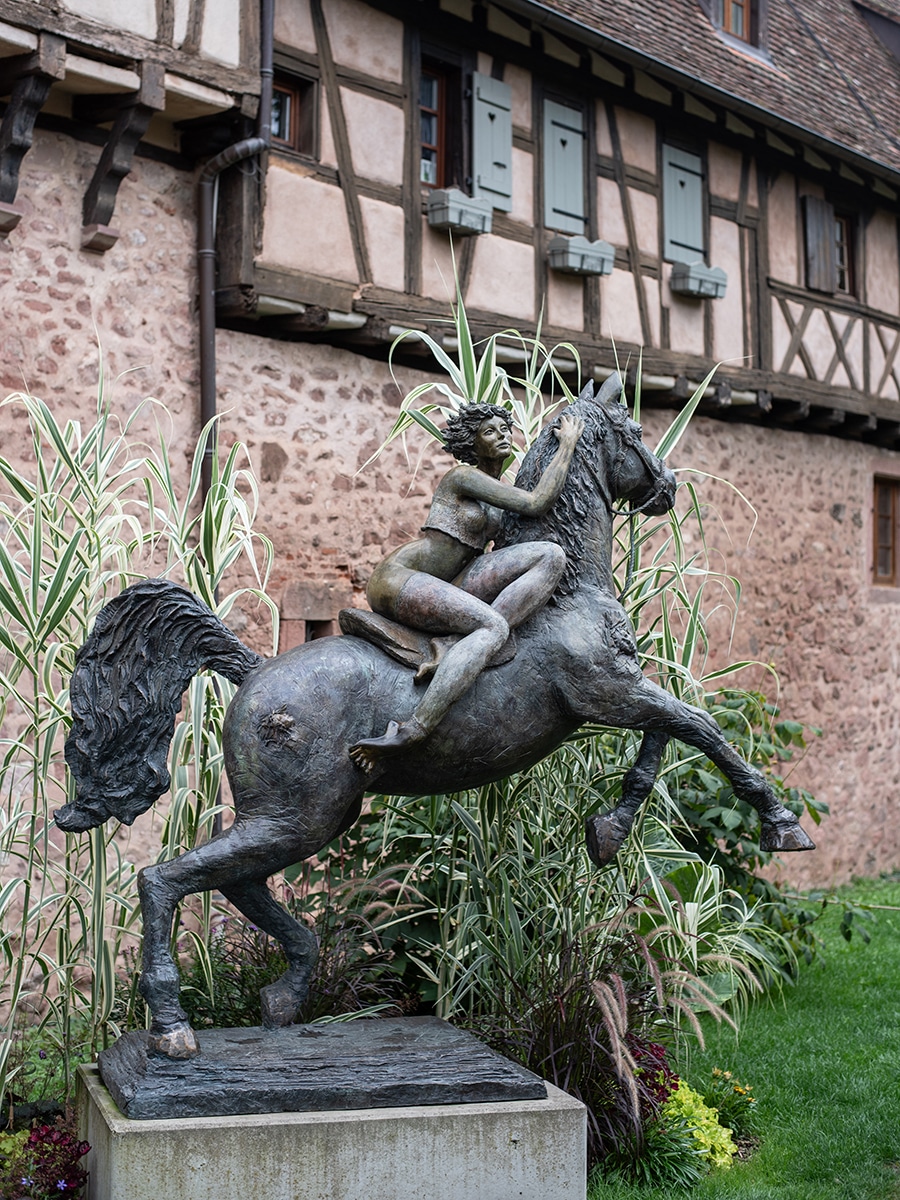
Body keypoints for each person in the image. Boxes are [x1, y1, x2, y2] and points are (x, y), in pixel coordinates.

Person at [349, 403, 584, 771]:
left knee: (551, 556)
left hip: (450, 580)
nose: (502, 435)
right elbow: (536, 502)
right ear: (473, 445)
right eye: (489, 432)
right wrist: (568, 445)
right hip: (399, 579)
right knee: (492, 626)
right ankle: (414, 728)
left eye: (505, 428)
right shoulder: (462, 477)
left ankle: (456, 645)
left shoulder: (495, 495)